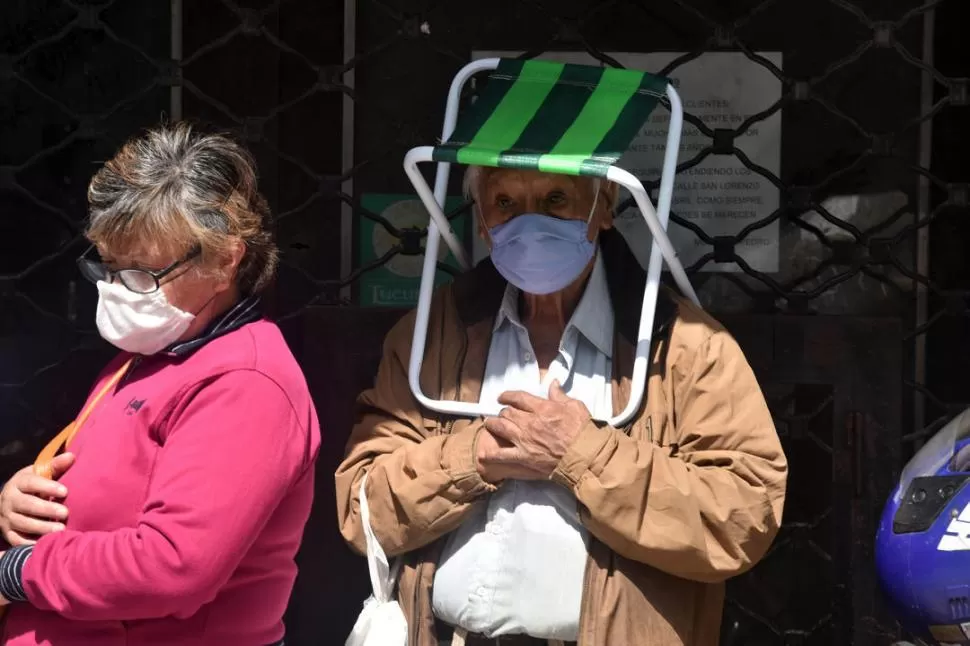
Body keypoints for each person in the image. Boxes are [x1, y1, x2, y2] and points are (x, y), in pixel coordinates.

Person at [335, 166, 788, 646]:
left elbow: (742, 516)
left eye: (555, 199)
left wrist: (584, 456)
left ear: (604, 207)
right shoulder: (434, 336)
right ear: (483, 223)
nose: (530, 223)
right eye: (505, 203)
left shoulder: (685, 346)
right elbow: (360, 509)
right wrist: (471, 458)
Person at [0, 122, 321, 646]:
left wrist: (18, 571)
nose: (120, 289)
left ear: (224, 259)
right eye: (110, 265)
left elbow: (173, 565)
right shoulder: (152, 353)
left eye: (143, 273)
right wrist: (20, 502)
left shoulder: (247, 382)